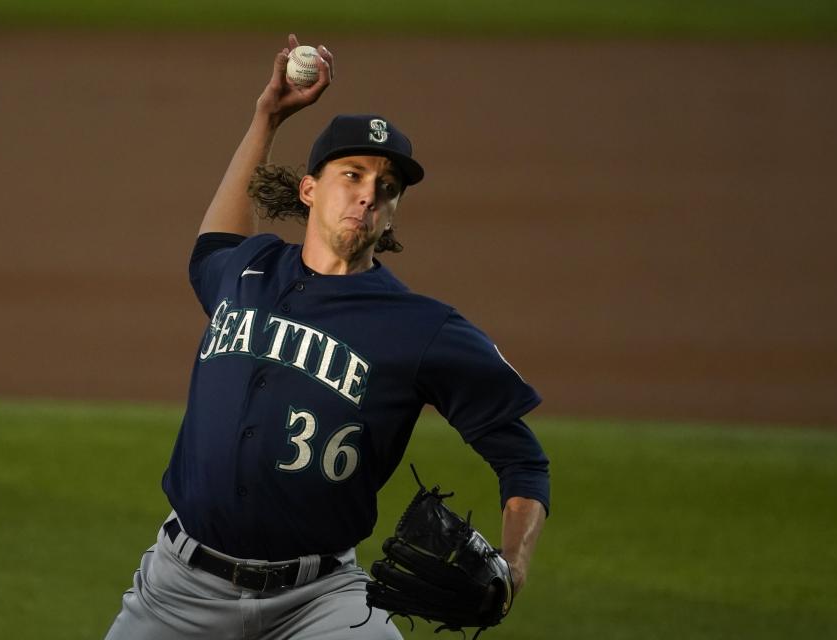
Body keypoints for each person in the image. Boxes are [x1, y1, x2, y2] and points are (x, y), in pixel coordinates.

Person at [104, 34, 549, 640]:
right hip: (178, 592)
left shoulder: (422, 328)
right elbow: (210, 246)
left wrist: (513, 568)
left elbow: (522, 458)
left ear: (392, 213)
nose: (369, 192)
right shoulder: (249, 269)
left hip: (321, 601)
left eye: (387, 187)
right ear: (309, 189)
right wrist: (267, 117)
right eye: (352, 173)